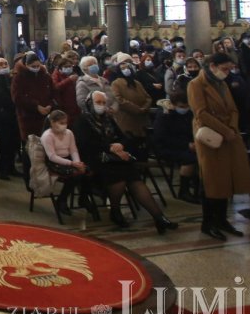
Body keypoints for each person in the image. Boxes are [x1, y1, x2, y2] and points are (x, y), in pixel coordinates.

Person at [74, 91, 177, 234]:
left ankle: (159, 218)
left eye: (104, 103)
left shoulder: (108, 119)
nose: (102, 106)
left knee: (135, 179)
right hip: (96, 159)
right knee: (119, 178)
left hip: (115, 157)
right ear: (89, 103)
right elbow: (86, 144)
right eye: (98, 102)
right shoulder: (82, 121)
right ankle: (115, 212)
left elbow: (123, 137)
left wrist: (120, 146)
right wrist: (110, 148)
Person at [188, 53, 250, 241]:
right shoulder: (196, 85)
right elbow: (201, 113)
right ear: (212, 66)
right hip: (210, 136)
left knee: (226, 178)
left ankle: (222, 219)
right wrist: (225, 130)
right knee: (212, 180)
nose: (227, 73)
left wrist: (232, 127)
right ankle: (208, 223)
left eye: (229, 69)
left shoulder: (221, 83)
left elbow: (233, 108)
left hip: (229, 135)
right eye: (224, 69)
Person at [40, 109, 89, 217]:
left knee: (87, 171)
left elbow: (73, 150)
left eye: (65, 123)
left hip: (68, 159)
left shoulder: (69, 133)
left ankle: (83, 198)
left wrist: (78, 163)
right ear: (52, 122)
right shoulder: (47, 136)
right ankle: (62, 200)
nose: (64, 125)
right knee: (75, 175)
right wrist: (72, 164)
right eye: (61, 123)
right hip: (54, 162)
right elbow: (52, 156)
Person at [150, 97, 200, 203]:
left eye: (187, 106)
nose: (185, 109)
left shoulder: (189, 115)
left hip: (186, 146)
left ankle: (200, 189)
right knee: (190, 158)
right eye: (182, 106)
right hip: (167, 147)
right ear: (173, 104)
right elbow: (161, 137)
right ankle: (184, 191)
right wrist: (186, 145)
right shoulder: (165, 115)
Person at [12, 52, 54, 140]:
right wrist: (36, 106)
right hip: (27, 117)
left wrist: (50, 105)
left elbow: (53, 92)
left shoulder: (45, 76)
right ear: (26, 65)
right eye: (33, 66)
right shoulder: (19, 77)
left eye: (38, 66)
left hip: (45, 115)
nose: (36, 68)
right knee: (31, 145)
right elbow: (17, 97)